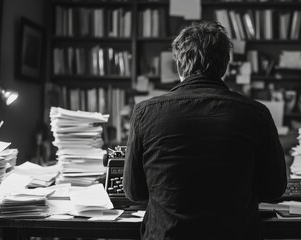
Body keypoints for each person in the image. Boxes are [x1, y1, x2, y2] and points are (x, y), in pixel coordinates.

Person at [123, 21, 287, 240]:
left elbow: (134, 192)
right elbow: (274, 189)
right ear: (225, 66)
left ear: (179, 66)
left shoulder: (145, 112)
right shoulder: (256, 113)